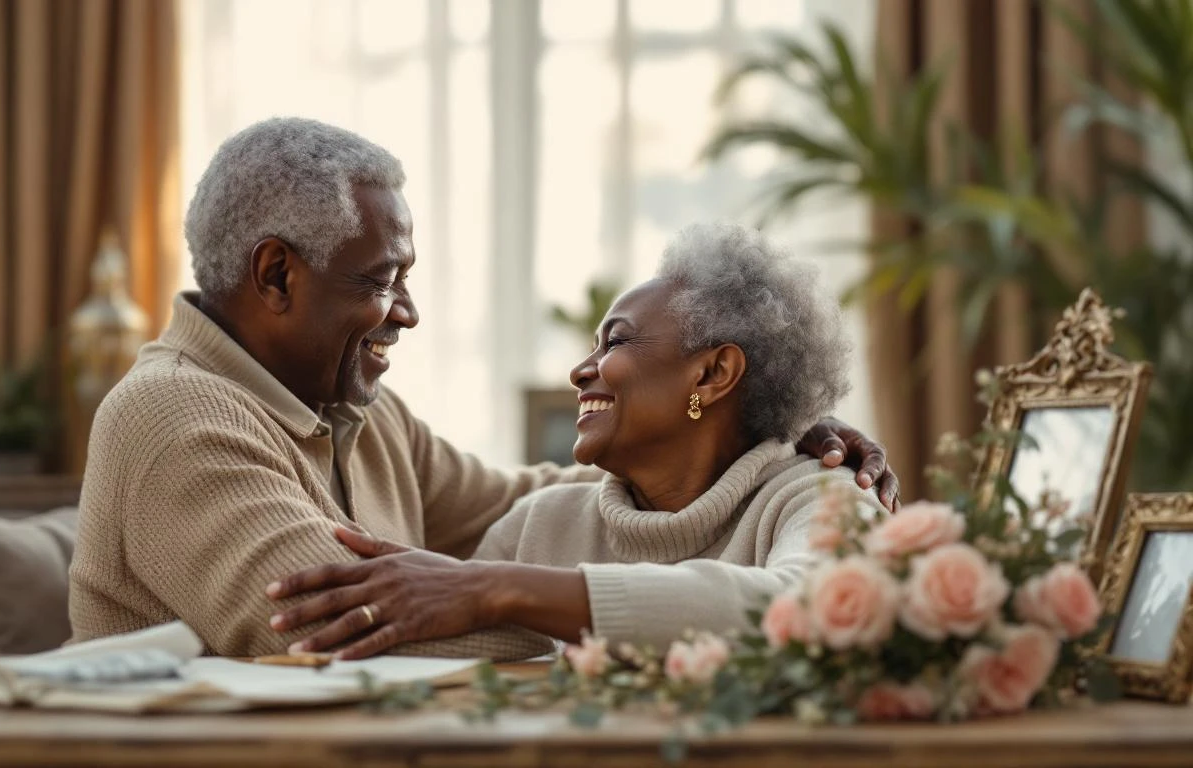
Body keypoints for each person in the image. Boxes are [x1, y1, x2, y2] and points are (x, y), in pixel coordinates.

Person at [69, 117, 898, 660]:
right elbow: (352, 639)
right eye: (381, 279)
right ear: (277, 274)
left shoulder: (362, 415)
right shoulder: (171, 414)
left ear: (715, 373)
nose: (409, 312)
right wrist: (521, 596)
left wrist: (767, 434)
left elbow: (561, 504)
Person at [265, 223, 883, 656]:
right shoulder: (541, 525)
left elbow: (812, 603)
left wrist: (496, 589)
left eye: (615, 341)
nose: (581, 371)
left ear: (714, 373)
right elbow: (459, 668)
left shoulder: (822, 498)